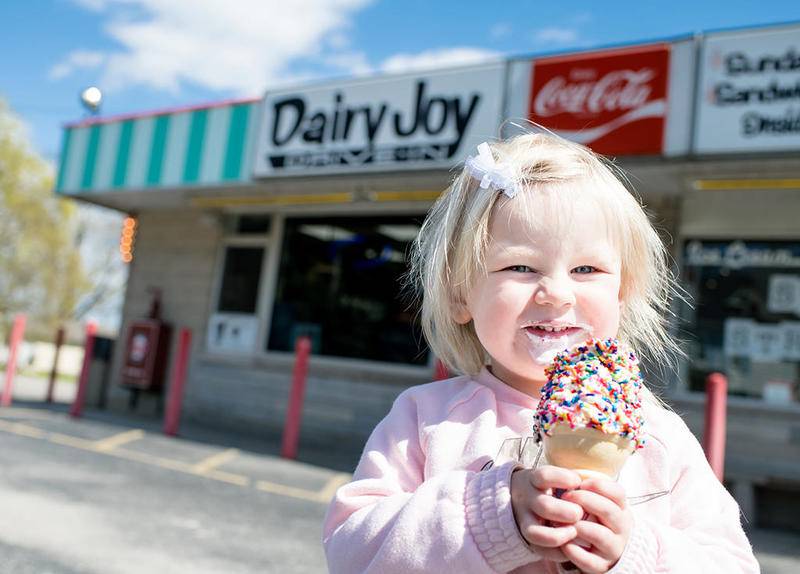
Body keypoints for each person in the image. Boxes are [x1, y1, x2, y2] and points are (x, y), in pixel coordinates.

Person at [322, 132, 759, 573]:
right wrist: (491, 515)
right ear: (459, 295)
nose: (556, 293)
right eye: (520, 267)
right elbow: (352, 553)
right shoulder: (426, 421)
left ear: (622, 293)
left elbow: (731, 563)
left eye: (586, 269)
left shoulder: (660, 436)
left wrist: (634, 551)